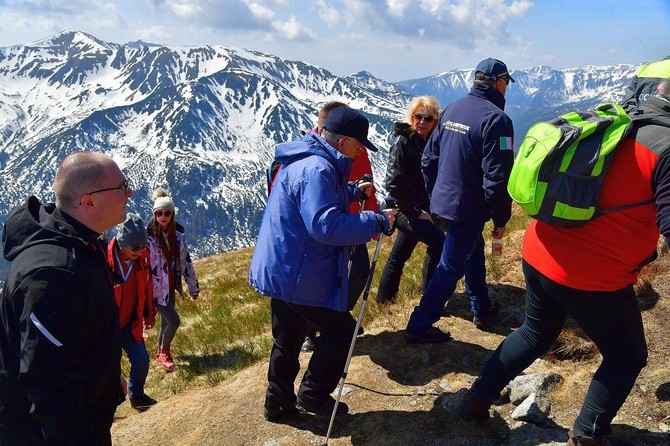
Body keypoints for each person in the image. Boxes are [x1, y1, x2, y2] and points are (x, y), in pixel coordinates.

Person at [456, 79, 670, 446]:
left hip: (540, 250)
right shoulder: (665, 149)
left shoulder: (615, 122)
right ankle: (587, 437)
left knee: (535, 332)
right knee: (627, 356)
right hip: (591, 274)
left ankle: (474, 400)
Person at [249, 107, 396, 421]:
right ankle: (313, 395)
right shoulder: (319, 168)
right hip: (298, 272)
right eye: (359, 145)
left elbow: (316, 201)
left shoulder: (306, 159)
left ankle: (277, 404)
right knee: (342, 330)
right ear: (342, 143)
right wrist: (376, 220)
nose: (360, 152)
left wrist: (351, 192)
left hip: (283, 267)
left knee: (287, 337)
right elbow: (325, 226)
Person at [0, 151, 132, 445]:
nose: (130, 193)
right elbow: (47, 382)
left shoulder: (79, 242)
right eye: (122, 187)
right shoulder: (53, 275)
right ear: (89, 201)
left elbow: (78, 337)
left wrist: (108, 379)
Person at [403, 58, 515, 343]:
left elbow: (429, 159)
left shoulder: (453, 109)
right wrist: (501, 219)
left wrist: (434, 196)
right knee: (450, 266)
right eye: (506, 85)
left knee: (471, 248)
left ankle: (482, 306)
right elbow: (497, 179)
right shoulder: (497, 121)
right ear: (500, 83)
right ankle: (419, 324)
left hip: (443, 203)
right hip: (467, 208)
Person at [300, 101, 380, 352]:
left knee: (356, 272)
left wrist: (369, 208)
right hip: (332, 227)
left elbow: (366, 181)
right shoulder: (311, 157)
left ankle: (335, 317)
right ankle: (314, 329)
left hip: (352, 222)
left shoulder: (357, 148)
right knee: (320, 280)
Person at [376, 95, 444, 304]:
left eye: (428, 118)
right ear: (411, 117)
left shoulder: (430, 141)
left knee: (399, 255)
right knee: (438, 242)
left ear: (435, 121)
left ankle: (385, 301)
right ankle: (430, 297)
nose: (422, 121)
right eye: (418, 116)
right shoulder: (403, 142)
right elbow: (393, 185)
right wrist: (416, 213)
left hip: (417, 208)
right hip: (404, 210)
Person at [107, 213, 158, 411]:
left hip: (130, 321)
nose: (139, 251)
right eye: (135, 248)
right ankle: (110, 406)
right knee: (109, 368)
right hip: (108, 326)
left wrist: (149, 314)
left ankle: (136, 395)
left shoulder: (142, 258)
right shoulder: (105, 258)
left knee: (141, 360)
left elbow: (146, 287)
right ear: (122, 243)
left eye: (142, 246)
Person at [147, 187, 200, 372]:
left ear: (172, 214)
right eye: (159, 213)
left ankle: (159, 351)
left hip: (170, 286)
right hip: (155, 289)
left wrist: (193, 288)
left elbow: (186, 263)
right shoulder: (148, 237)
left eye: (167, 213)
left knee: (165, 321)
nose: (163, 216)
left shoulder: (178, 236)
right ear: (154, 214)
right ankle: (164, 352)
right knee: (174, 321)